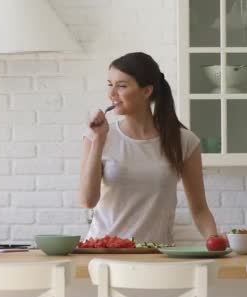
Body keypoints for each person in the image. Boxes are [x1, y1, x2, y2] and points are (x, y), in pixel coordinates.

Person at [79, 52, 219, 244]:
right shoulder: (96, 137)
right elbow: (87, 201)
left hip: (156, 256)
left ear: (146, 91)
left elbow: (200, 210)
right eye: (110, 84)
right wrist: (99, 140)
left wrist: (214, 241)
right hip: (104, 253)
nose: (111, 94)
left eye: (121, 86)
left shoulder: (184, 141)